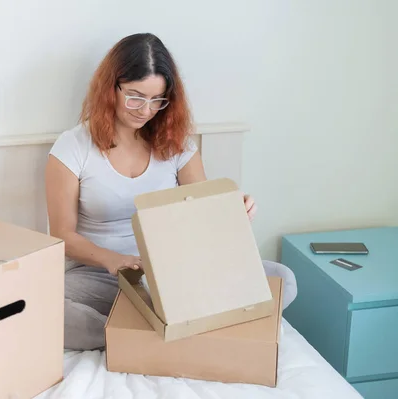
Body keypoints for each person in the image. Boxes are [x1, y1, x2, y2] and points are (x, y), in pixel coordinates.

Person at [45, 33, 297, 351]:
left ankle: (149, 329)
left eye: (157, 100)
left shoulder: (176, 143)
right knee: (45, 306)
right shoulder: (72, 147)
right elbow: (62, 236)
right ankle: (161, 330)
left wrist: (233, 213)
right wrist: (115, 260)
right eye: (135, 97)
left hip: (173, 268)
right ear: (110, 88)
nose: (146, 110)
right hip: (102, 274)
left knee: (282, 278)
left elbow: (203, 216)